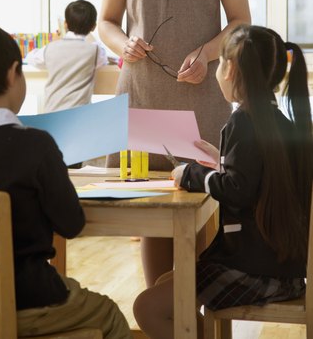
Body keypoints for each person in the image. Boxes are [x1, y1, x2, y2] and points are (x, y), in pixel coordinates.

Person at [98, 0, 251, 286]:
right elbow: (106, 23)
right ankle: (161, 313)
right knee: (151, 207)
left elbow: (241, 22)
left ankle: (199, 312)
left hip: (202, 93)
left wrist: (205, 55)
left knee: (203, 199)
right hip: (141, 93)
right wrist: (124, 43)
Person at [0, 22, 132, 339]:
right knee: (108, 314)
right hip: (27, 302)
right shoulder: (36, 145)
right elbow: (71, 225)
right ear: (14, 73)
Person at [133, 24, 313, 339]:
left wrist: (189, 174)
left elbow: (238, 190)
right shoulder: (281, 123)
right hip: (285, 270)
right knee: (166, 284)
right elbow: (262, 175)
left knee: (147, 307)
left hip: (253, 270)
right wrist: (220, 160)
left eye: (219, 65)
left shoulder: (243, 120)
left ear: (229, 70)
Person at [26, 0, 107, 113]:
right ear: (93, 27)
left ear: (65, 24)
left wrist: (55, 42)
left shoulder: (51, 48)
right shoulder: (95, 50)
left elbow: (30, 58)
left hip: (52, 113)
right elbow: (103, 60)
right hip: (79, 115)